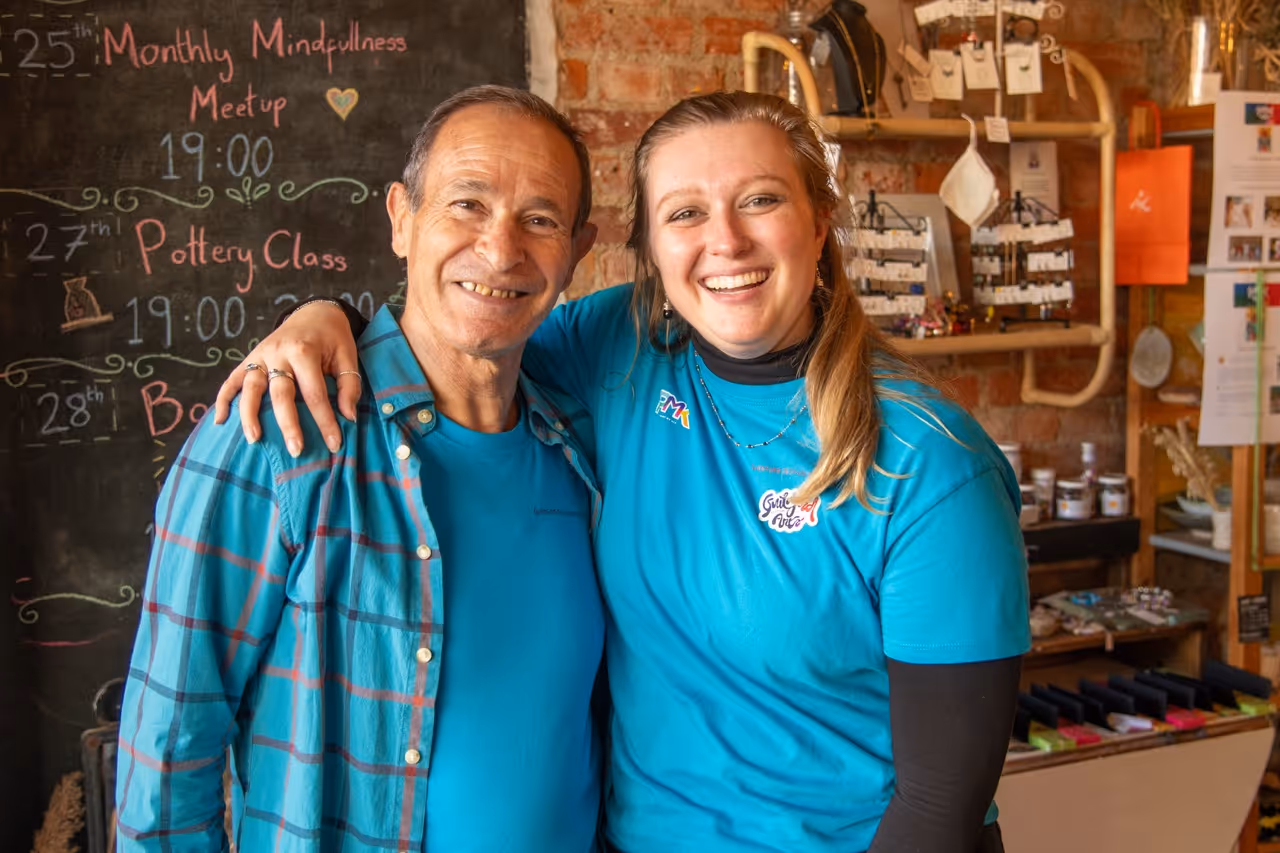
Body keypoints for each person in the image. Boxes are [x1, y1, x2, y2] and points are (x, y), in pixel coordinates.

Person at [217, 91, 1031, 852]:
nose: (727, 241)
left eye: (761, 200)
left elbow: (938, 808)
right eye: (685, 213)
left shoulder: (930, 463)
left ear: (820, 221)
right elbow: (465, 321)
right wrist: (327, 316)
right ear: (646, 248)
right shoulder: (619, 347)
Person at [115, 86, 606, 851]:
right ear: (401, 218)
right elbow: (169, 754)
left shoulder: (579, 444)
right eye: (466, 204)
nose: (501, 249)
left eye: (540, 219)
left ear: (578, 249)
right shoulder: (275, 431)